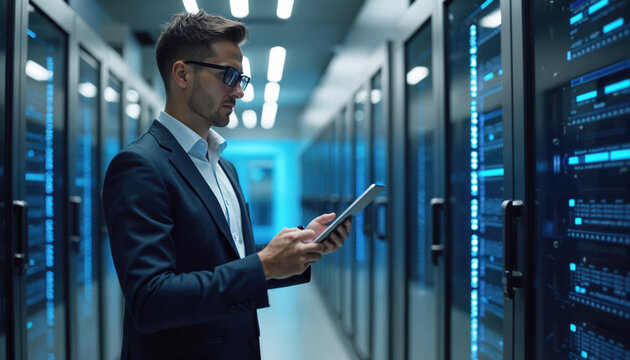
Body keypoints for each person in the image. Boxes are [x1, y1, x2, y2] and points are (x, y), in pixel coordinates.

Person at [102, 10, 352, 360]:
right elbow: (150, 299)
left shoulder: (225, 167)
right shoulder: (140, 166)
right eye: (229, 75)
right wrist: (263, 264)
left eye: (242, 79)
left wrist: (299, 247)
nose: (238, 91)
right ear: (182, 74)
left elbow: (230, 261)